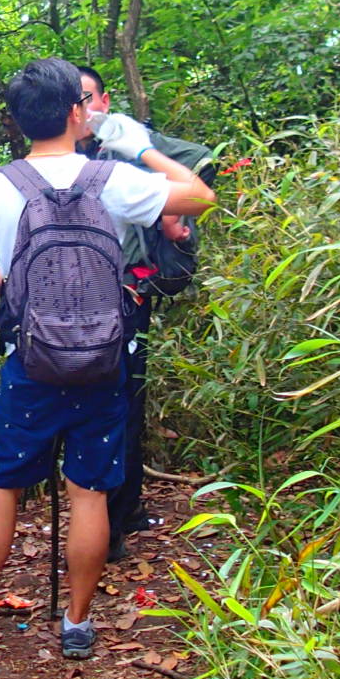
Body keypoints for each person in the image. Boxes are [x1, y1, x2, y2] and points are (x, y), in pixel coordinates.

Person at [0, 58, 215, 661]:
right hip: (105, 361)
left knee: (2, 487)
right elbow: (200, 195)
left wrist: (21, 286)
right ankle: (76, 626)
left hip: (30, 363)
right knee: (88, 494)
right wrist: (141, 147)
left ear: (17, 122)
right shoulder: (112, 178)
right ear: (79, 112)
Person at [75, 66, 213, 562]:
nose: (83, 110)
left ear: (105, 101)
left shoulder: (125, 145)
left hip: (128, 294)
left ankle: (116, 519)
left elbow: (198, 166)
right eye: (74, 100)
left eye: (88, 98)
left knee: (125, 403)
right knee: (101, 406)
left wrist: (170, 214)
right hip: (75, 298)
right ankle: (111, 514)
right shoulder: (59, 154)